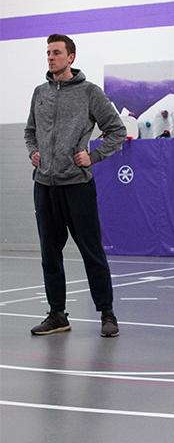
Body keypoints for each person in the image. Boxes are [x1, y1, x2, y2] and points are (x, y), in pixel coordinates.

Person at [25, 34, 126, 338]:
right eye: (48, 53)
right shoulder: (39, 93)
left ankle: (107, 313)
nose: (51, 57)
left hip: (77, 186)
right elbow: (30, 131)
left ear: (71, 57)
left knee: (91, 251)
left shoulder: (89, 93)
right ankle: (57, 315)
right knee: (49, 254)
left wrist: (93, 156)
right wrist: (33, 152)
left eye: (56, 53)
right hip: (44, 185)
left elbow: (117, 130)